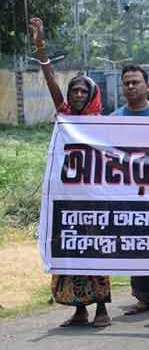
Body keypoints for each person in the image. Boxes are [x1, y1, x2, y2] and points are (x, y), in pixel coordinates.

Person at [30, 17, 112, 328]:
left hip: (92, 198)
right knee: (69, 251)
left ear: (92, 96)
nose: (77, 95)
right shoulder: (65, 116)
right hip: (66, 196)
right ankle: (78, 309)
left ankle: (102, 309)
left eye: (82, 92)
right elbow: (51, 80)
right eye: (74, 91)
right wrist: (41, 46)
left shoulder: (101, 124)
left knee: (94, 252)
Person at [107, 64, 149, 314]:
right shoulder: (112, 120)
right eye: (127, 83)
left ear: (146, 85)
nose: (131, 87)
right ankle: (144, 297)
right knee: (136, 243)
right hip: (129, 193)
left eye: (135, 82)